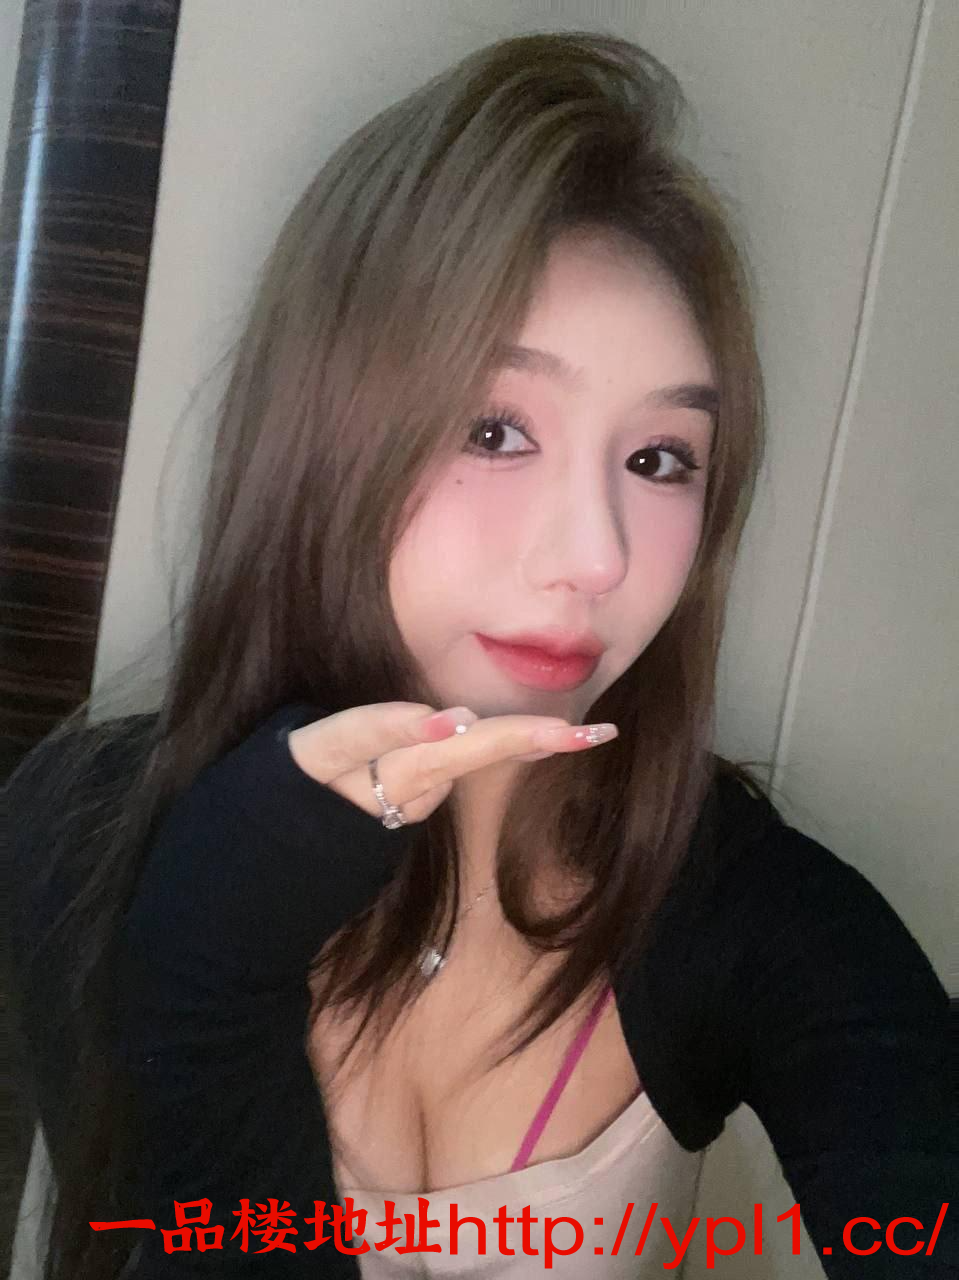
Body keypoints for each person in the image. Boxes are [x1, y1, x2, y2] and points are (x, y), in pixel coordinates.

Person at [4, 28, 954, 1280]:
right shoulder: (87, 832)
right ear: (324, 433)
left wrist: (206, 972)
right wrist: (210, 938)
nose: (596, 554)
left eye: (657, 457)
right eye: (495, 429)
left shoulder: (744, 906)